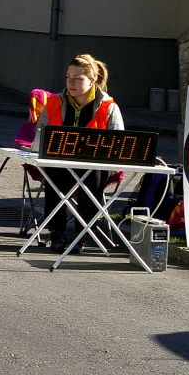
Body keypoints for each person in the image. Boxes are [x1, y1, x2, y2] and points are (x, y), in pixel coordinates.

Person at [33, 54, 124, 253]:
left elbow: (119, 145)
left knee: (94, 174)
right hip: (60, 161)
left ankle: (83, 233)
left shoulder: (109, 107)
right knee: (53, 171)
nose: (71, 82)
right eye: (68, 77)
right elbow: (40, 137)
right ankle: (56, 232)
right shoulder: (55, 103)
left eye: (78, 78)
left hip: (95, 165)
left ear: (92, 80)